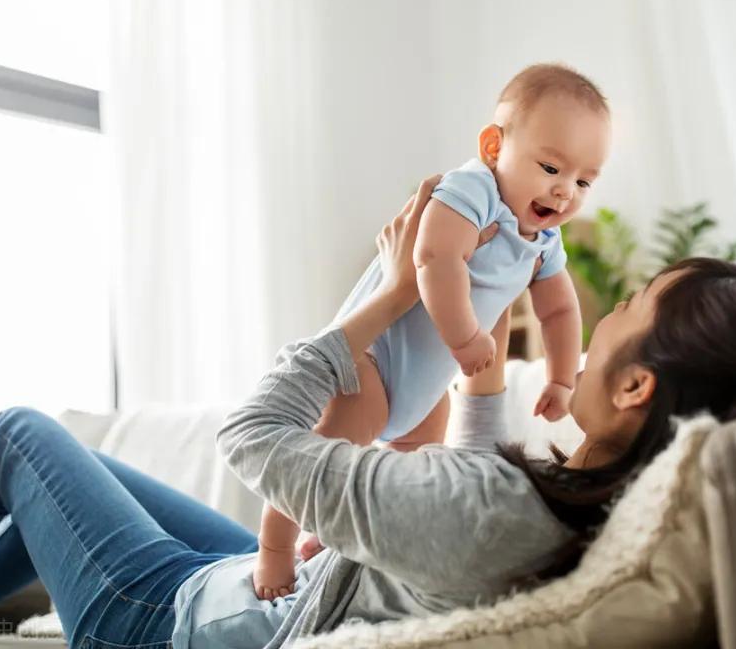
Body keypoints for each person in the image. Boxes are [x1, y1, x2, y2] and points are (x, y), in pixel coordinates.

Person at [0, 176, 736, 649]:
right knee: (75, 485)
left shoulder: (490, 516)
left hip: (163, 621)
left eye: (629, 306)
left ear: (635, 388)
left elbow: (251, 436)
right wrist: (484, 330)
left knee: (14, 435)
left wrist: (384, 298)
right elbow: (473, 491)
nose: (600, 315)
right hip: (261, 587)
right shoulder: (584, 507)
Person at [253, 63, 611, 599]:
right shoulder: (473, 189)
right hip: (373, 362)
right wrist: (466, 337)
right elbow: (434, 258)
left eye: (583, 182)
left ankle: (333, 539)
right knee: (319, 462)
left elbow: (559, 311)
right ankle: (274, 549)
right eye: (550, 167)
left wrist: (561, 378)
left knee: (411, 471)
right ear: (494, 146)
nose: (565, 192)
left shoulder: (543, 240)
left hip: (426, 388)